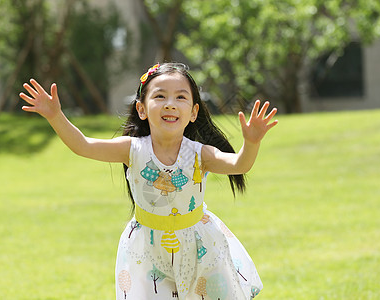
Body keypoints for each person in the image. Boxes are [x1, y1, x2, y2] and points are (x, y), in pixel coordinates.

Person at [20, 62, 278, 299]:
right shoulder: (131, 150)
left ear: (193, 112)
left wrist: (251, 143)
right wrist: (55, 115)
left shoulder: (200, 153)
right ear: (142, 109)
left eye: (180, 97)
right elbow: (83, 145)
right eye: (159, 96)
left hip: (200, 245)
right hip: (147, 249)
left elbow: (239, 165)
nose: (170, 103)